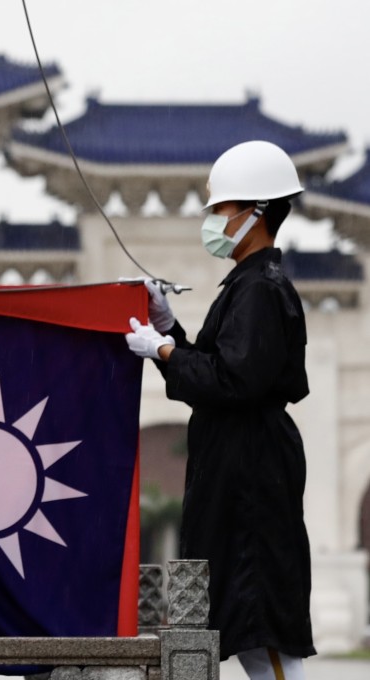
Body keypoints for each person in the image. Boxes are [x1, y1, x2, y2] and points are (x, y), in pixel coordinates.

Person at [124, 140, 314, 680]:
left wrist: (163, 351)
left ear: (255, 215)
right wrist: (169, 331)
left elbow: (232, 380)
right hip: (236, 465)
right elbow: (211, 368)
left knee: (262, 620)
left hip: (252, 471)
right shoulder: (246, 286)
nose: (212, 220)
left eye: (220, 210)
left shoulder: (261, 290)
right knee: (242, 620)